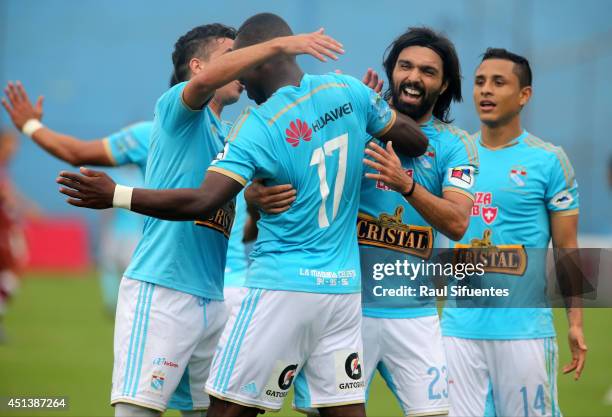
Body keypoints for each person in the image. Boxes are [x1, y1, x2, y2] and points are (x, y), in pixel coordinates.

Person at [55, 12, 427, 417]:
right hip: (330, 289)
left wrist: (118, 195)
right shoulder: (346, 91)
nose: (243, 80)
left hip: (275, 289)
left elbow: (205, 200)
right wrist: (365, 117)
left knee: (226, 409)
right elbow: (415, 139)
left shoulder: (254, 126)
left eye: (241, 59)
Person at [335, 27, 476, 417]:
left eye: (428, 71)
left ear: (444, 83)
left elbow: (458, 222)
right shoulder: (357, 129)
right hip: (347, 312)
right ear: (391, 71)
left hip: (415, 316)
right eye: (405, 66)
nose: (414, 77)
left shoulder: (455, 144)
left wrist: (406, 185)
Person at [439, 48, 587, 417]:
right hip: (458, 331)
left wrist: (575, 324)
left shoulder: (549, 160)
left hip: (524, 333)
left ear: (524, 95)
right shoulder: (455, 153)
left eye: (498, 82)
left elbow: (567, 248)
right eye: (479, 82)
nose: (485, 91)